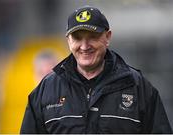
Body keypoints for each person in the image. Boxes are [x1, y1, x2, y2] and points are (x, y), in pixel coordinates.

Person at [20, 5, 172, 134]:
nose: (85, 46)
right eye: (77, 38)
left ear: (107, 37)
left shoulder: (138, 87)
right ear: (68, 41)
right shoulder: (46, 89)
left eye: (92, 37)